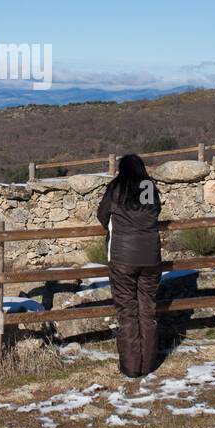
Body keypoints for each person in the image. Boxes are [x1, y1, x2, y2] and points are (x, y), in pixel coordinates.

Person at [95, 154, 164, 377]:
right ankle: (148, 364)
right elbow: (155, 212)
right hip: (151, 256)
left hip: (122, 257)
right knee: (147, 308)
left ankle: (132, 367)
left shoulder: (116, 188)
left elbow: (102, 215)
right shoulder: (148, 187)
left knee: (127, 312)